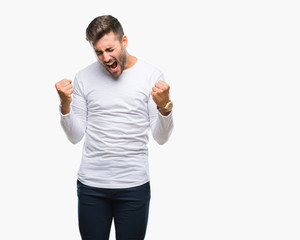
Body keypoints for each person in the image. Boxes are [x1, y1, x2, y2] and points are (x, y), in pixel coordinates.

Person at [55, 15, 174, 240]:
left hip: (134, 185)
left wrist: (164, 109)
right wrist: (65, 104)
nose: (106, 58)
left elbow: (161, 137)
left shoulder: (151, 75)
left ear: (124, 41)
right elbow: (74, 136)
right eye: (99, 52)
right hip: (92, 186)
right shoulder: (83, 77)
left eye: (110, 49)